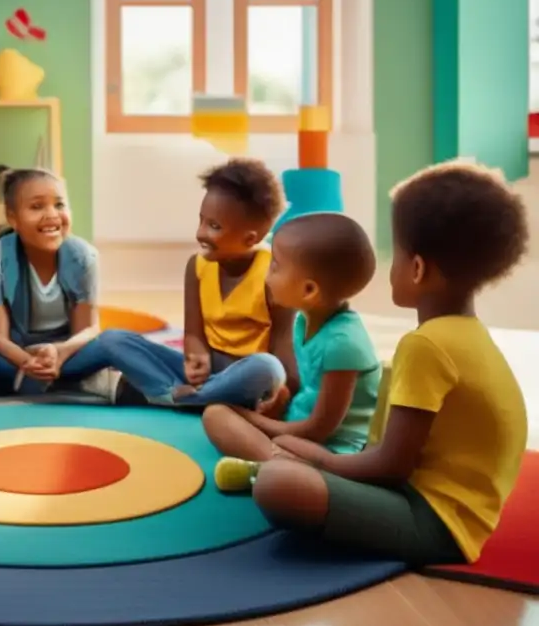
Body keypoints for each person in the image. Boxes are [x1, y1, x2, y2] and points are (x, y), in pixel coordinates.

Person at [220, 160, 529, 567]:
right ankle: (276, 464)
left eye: (396, 252)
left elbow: (391, 467)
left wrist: (315, 460)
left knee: (278, 484)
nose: (390, 265)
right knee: (281, 463)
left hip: (435, 522)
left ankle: (270, 468)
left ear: (417, 269)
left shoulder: (427, 346)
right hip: (435, 504)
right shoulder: (466, 335)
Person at [93, 157, 294, 409]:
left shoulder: (272, 276)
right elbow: (193, 334)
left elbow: (283, 348)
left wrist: (284, 392)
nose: (200, 233)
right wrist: (195, 356)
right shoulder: (197, 266)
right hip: (203, 376)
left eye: (214, 226)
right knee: (114, 339)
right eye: (201, 220)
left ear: (250, 238)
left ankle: (179, 397)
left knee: (268, 367)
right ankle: (184, 397)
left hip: (244, 377)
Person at [204, 212, 380, 463]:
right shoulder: (304, 321)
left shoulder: (343, 343)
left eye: (275, 266)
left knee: (224, 415)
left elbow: (319, 429)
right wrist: (281, 400)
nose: (266, 276)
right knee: (216, 415)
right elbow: (309, 384)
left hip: (333, 450)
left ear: (308, 290)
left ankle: (284, 468)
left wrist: (252, 420)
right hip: (296, 431)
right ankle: (277, 463)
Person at [0, 165, 120, 400]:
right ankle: (67, 382)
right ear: (13, 218)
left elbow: (87, 330)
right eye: (36, 206)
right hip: (15, 353)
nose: (52, 214)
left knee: (113, 343)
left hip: (66, 352)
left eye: (59, 204)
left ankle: (2, 380)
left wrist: (59, 353)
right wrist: (27, 362)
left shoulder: (84, 257)